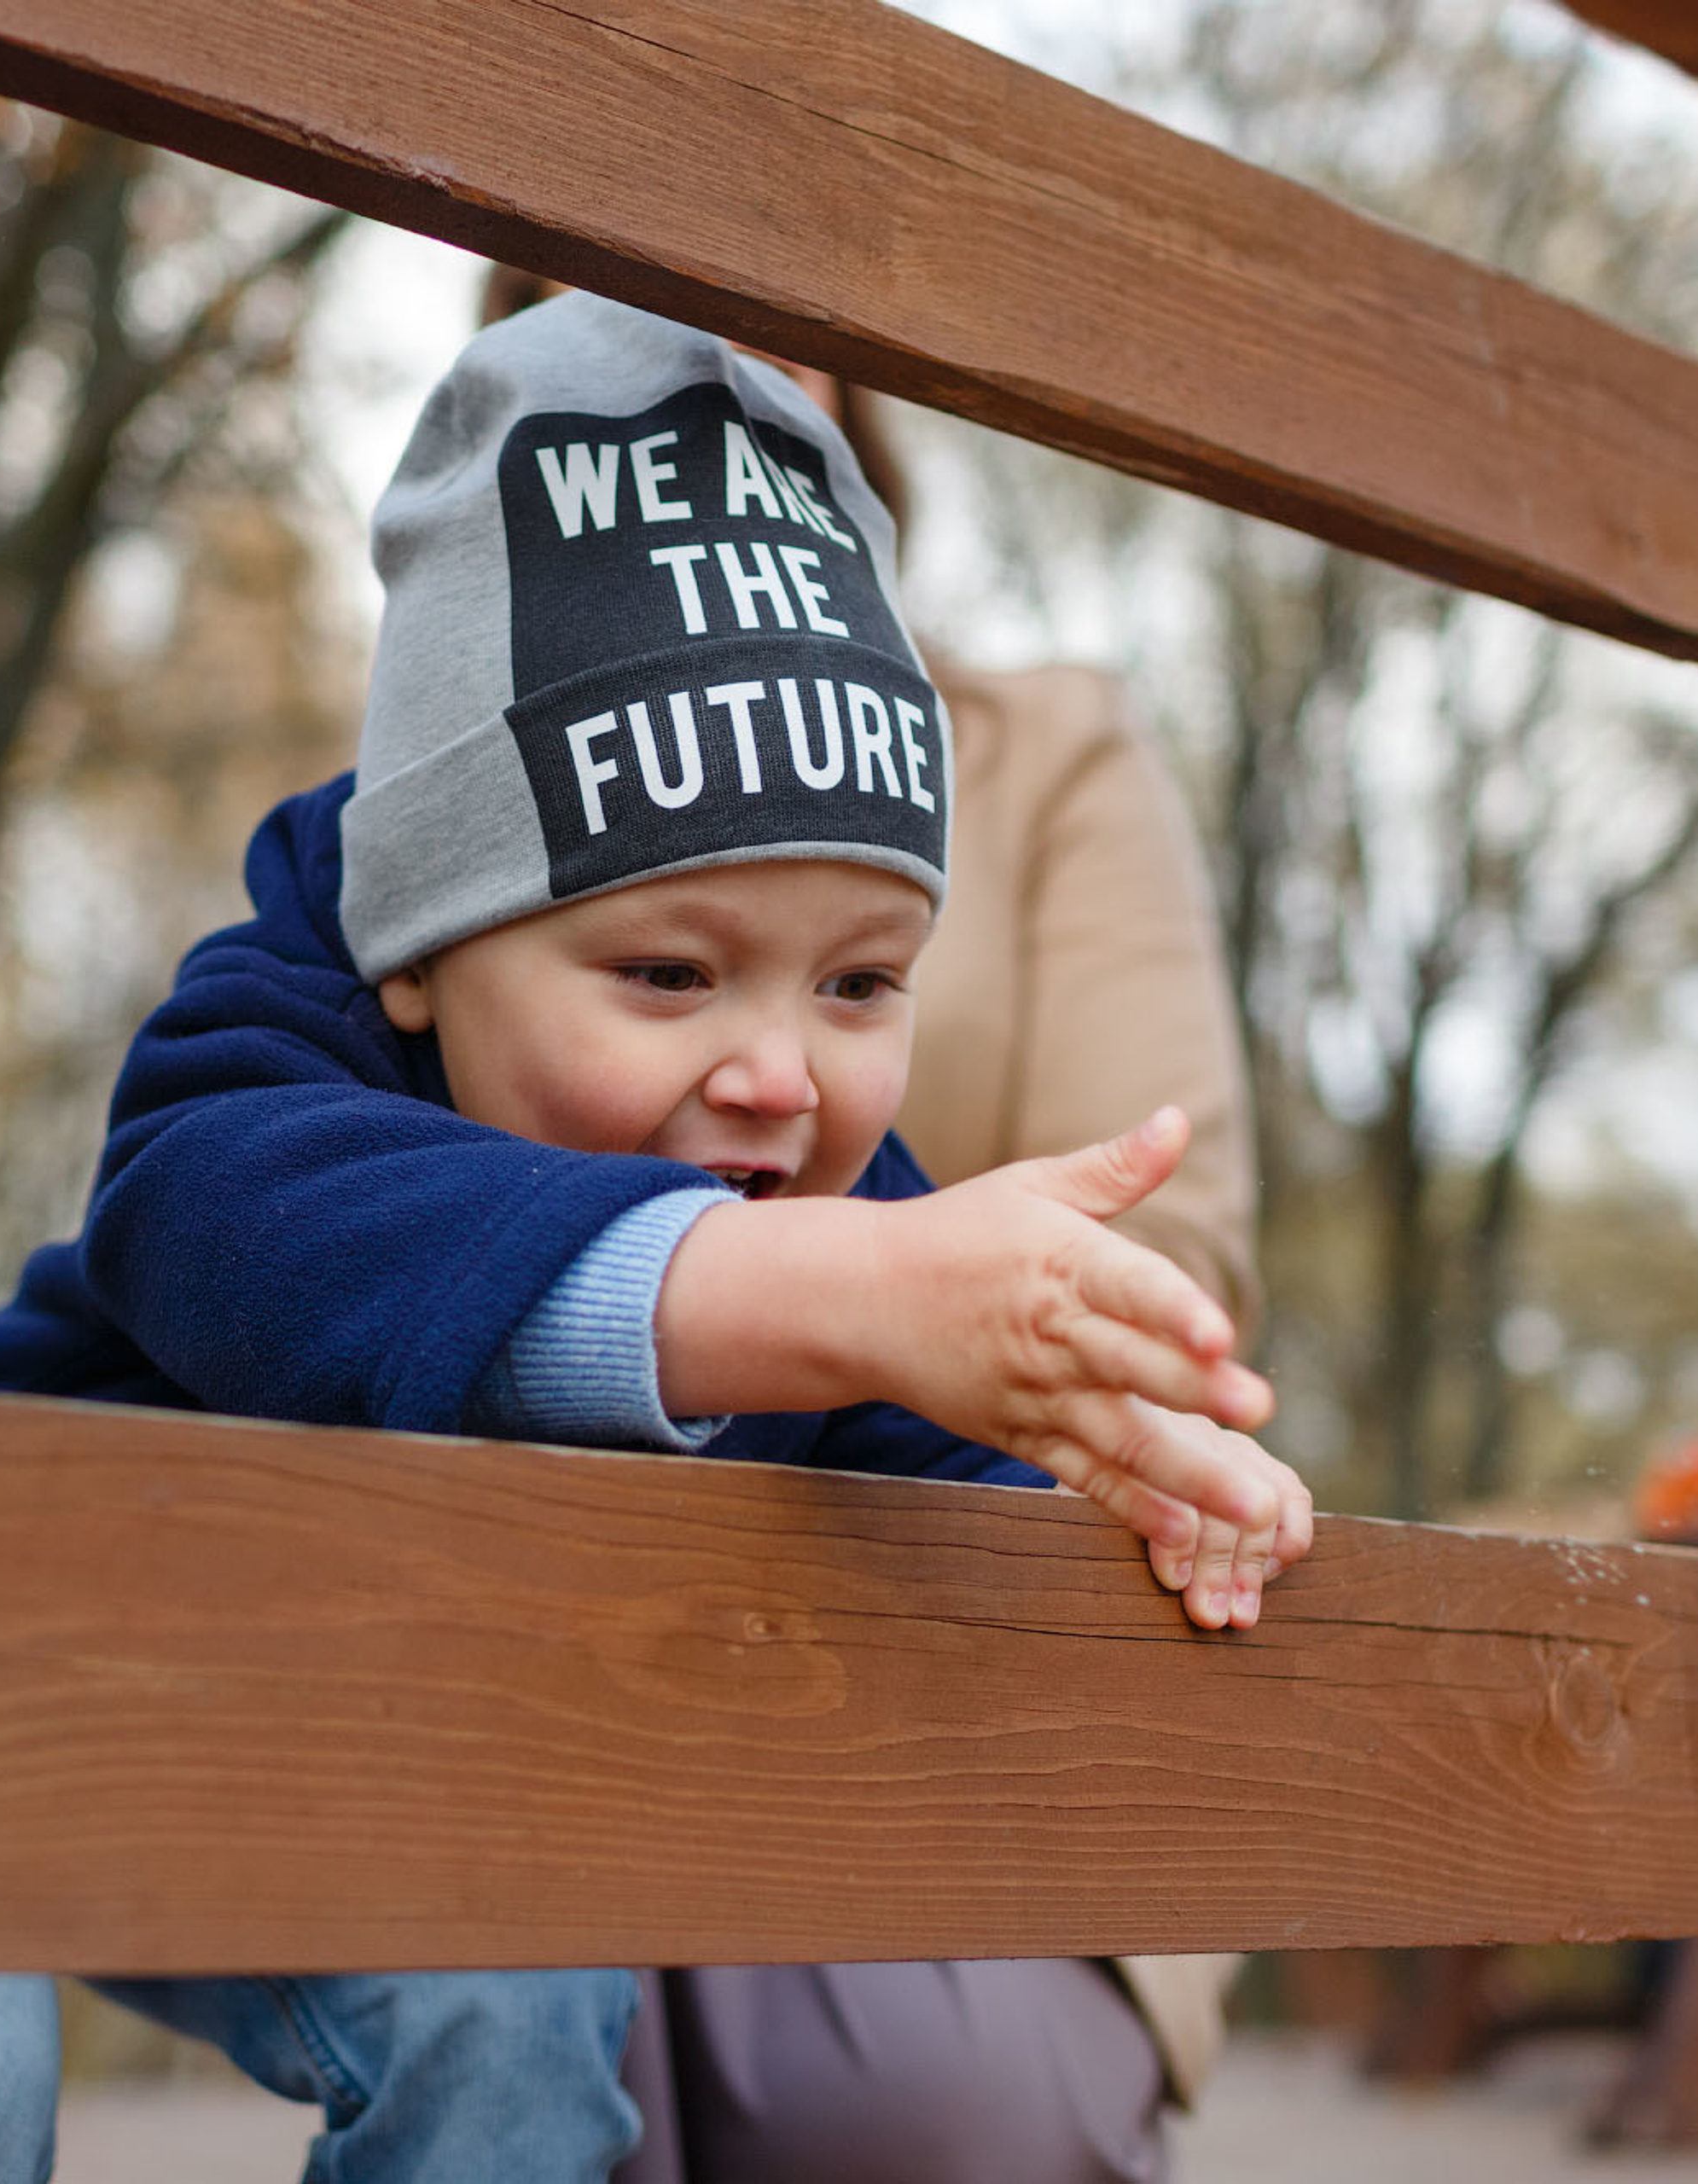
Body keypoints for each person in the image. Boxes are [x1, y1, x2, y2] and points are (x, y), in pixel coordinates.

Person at [0, 293, 1308, 2184]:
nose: (777, 1073)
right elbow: (223, 1227)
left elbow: (928, 1471)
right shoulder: (275, 1056)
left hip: (364, 1770)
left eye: (861, 982)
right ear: (425, 949)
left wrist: (1127, 1472)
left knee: (515, 2009)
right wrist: (812, 1291)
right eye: (669, 973)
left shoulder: (841, 1223)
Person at [478, 267, 1264, 2176]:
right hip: (532, 1662)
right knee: (511, 2029)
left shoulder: (1042, 750)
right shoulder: (456, 782)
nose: (770, 1069)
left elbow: (1160, 1262)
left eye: (860, 981)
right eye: (613, 311)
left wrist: (878, 1317)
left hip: (945, 1644)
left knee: (916, 2105)